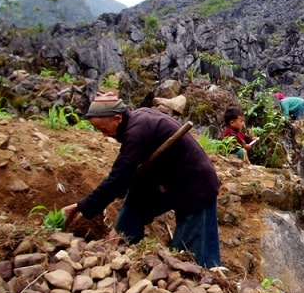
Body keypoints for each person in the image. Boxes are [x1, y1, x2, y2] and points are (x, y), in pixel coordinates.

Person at [62, 92, 222, 268]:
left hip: (196, 186)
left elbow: (117, 178)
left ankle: (208, 283)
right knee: (137, 197)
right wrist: (120, 227)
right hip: (171, 182)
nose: (104, 136)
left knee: (188, 255)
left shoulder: (137, 131)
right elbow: (129, 180)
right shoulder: (138, 120)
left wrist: (81, 206)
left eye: (104, 130)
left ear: (117, 118)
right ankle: (121, 240)